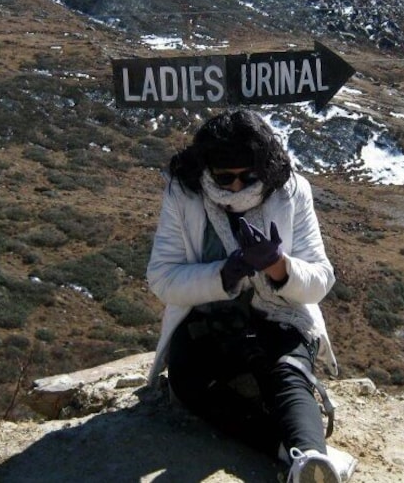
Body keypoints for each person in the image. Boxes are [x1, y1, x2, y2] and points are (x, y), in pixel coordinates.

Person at [146, 109, 349, 483]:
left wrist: (278, 267)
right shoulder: (184, 193)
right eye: (224, 178)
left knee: (287, 372)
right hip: (208, 321)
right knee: (189, 382)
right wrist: (224, 274)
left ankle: (311, 459)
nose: (236, 187)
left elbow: (320, 279)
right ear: (206, 169)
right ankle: (299, 458)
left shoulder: (292, 191)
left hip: (280, 316)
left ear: (264, 168)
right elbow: (162, 278)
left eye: (247, 176)